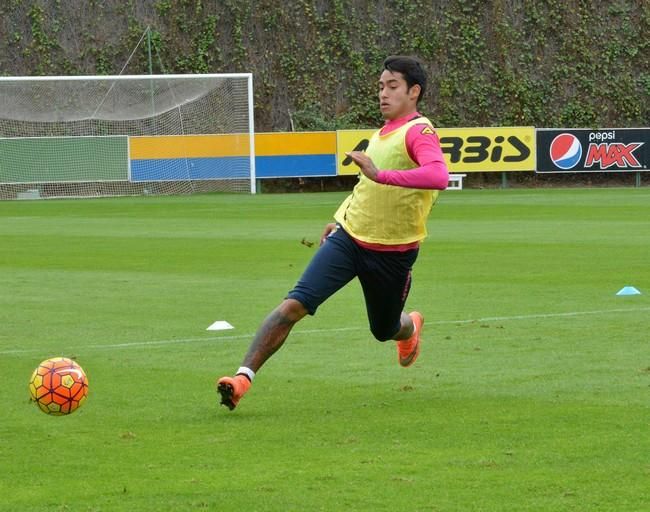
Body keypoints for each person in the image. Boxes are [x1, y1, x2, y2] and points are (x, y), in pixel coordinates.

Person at [217, 55, 450, 410]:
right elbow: (366, 189)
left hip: (392, 254)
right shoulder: (381, 134)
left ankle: (410, 329)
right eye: (380, 87)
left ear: (414, 92)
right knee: (293, 305)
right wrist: (341, 219)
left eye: (392, 87)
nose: (383, 94)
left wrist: (380, 175)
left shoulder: (419, 131)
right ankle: (241, 379)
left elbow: (438, 176)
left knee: (384, 329)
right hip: (349, 240)